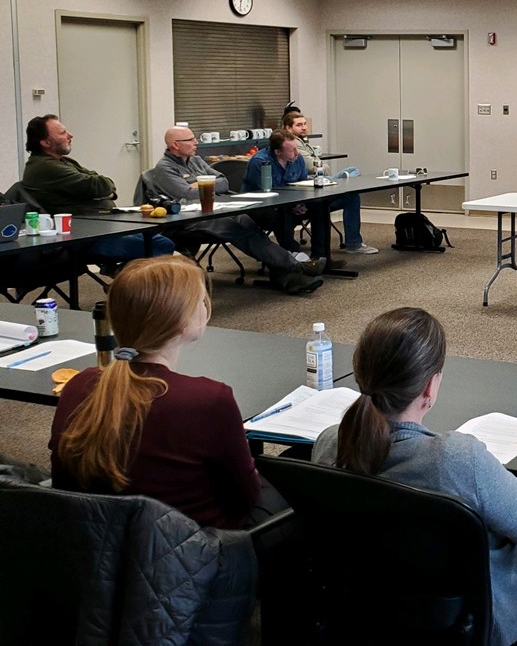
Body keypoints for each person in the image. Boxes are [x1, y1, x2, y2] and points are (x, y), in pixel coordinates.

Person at [313, 308, 517, 646]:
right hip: (478, 627)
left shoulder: (328, 445)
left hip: (371, 615)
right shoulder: (456, 460)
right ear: (429, 386)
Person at [49, 257, 280, 528]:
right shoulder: (207, 399)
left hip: (98, 546)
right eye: (200, 300)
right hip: (196, 553)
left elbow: (62, 486)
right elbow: (245, 497)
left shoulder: (80, 384)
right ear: (182, 321)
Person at [152, 126, 323, 295]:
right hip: (188, 219)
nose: (196, 142)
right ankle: (294, 264)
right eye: (190, 139)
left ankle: (289, 278)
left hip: (217, 209)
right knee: (238, 229)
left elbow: (224, 182)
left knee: (249, 224)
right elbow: (186, 194)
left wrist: (201, 184)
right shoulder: (165, 168)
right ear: (175, 144)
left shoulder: (196, 161)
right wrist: (203, 185)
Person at [21, 114, 174, 262]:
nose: (70, 135)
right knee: (161, 245)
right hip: (85, 236)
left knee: (157, 237)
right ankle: (127, 282)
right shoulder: (46, 167)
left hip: (102, 225)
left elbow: (100, 181)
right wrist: (102, 191)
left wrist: (103, 191)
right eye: (62, 133)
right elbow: (98, 185)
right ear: (45, 142)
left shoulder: (64, 161)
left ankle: (124, 276)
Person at [245, 131, 377, 258]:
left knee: (320, 206)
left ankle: (321, 257)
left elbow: (301, 186)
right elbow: (265, 194)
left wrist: (301, 202)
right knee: (281, 213)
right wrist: (293, 205)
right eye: (292, 150)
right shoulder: (260, 162)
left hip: (291, 204)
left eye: (297, 148)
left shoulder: (298, 159)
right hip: (264, 209)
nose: (297, 153)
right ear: (278, 152)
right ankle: (293, 255)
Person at [282, 108, 326, 173]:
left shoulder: (301, 140)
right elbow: (311, 167)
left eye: (305, 124)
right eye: (299, 125)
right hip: (309, 179)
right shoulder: (292, 142)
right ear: (288, 128)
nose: (304, 128)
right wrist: (325, 167)